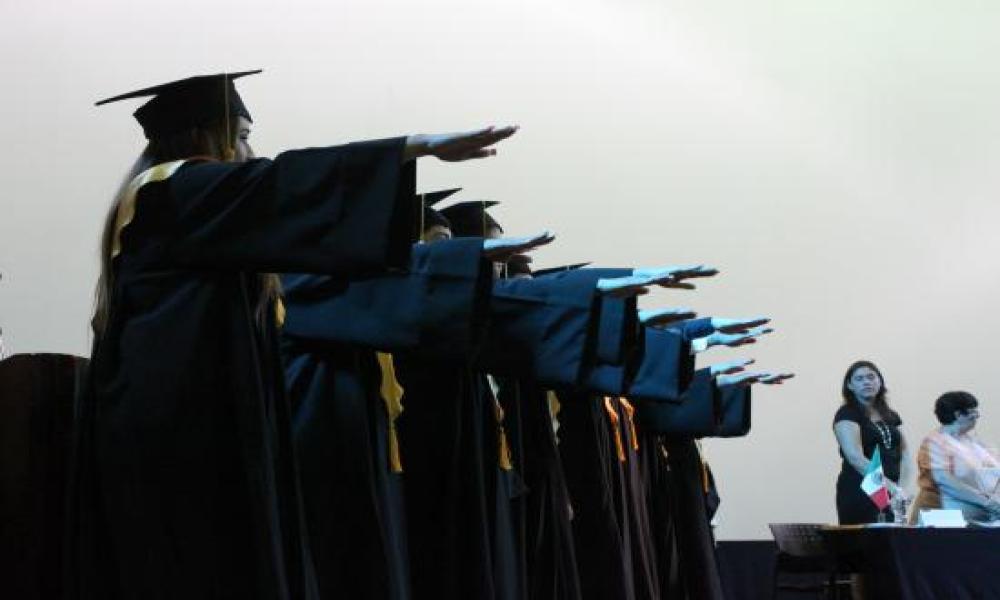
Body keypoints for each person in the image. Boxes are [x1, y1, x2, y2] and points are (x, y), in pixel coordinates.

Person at [69, 69, 517, 600]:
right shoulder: (170, 191)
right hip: (179, 436)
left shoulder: (181, 208)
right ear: (203, 137)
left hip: (195, 424)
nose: (251, 151)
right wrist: (408, 149)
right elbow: (274, 185)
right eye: (239, 136)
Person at [832, 360, 910, 524]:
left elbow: (904, 454)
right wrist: (891, 487)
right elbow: (855, 458)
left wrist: (901, 489)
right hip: (862, 489)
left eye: (871, 377)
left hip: (892, 492)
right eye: (859, 379)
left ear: (880, 382)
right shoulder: (847, 414)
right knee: (867, 545)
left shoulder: (891, 415)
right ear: (850, 386)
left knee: (894, 543)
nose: (866, 382)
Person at [912, 391, 1000, 522]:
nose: (977, 416)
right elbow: (945, 480)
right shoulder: (934, 442)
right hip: (942, 514)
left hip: (975, 514)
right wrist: (985, 502)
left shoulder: (972, 441)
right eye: (973, 412)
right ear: (958, 414)